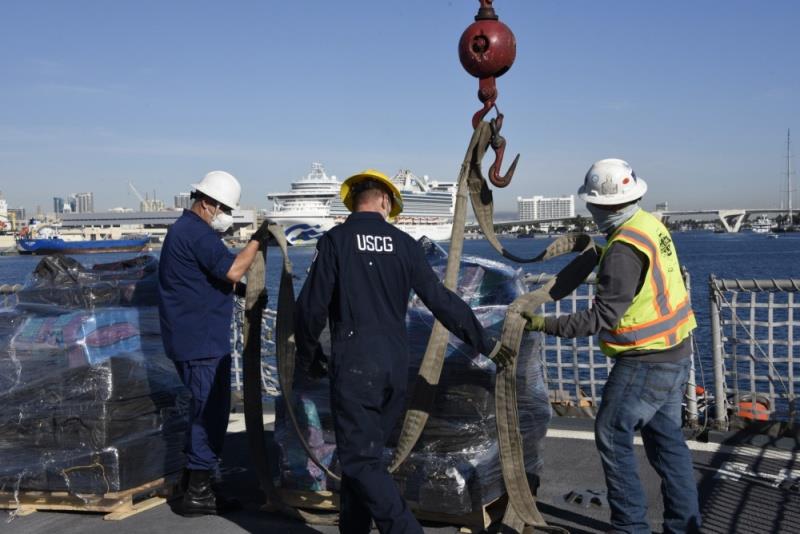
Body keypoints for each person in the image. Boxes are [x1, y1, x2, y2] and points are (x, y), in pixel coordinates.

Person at [293, 169, 514, 534]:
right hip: (394, 371)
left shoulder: (336, 241)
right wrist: (485, 341)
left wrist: (308, 354)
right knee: (362, 460)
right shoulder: (404, 243)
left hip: (355, 368)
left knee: (359, 461)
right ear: (384, 199)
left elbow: (310, 309)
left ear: (355, 200)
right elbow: (442, 300)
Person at [523, 158, 700, 534]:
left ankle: (630, 527)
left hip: (645, 359)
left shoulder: (621, 251)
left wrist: (543, 323)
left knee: (611, 432)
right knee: (668, 445)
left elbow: (599, 318)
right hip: (677, 350)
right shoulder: (648, 225)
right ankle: (684, 527)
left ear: (600, 204)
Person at [158, 170, 271, 517]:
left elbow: (209, 279)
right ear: (206, 203)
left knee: (204, 410)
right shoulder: (196, 233)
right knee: (211, 414)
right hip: (201, 342)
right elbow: (234, 270)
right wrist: (259, 239)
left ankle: (194, 482)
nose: (225, 216)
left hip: (192, 337)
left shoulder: (183, 231)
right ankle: (198, 492)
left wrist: (242, 291)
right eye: (223, 209)